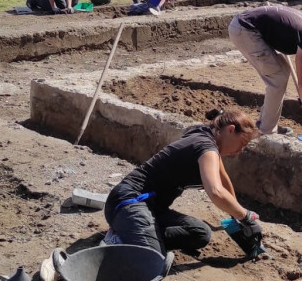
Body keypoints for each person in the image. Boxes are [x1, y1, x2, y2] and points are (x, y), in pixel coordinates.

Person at [104, 108, 261, 256]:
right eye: (242, 143)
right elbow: (216, 191)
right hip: (128, 201)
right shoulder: (206, 147)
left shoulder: (206, 135)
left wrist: (236, 214)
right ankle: (121, 239)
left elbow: (222, 178)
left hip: (153, 208)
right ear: (231, 130)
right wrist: (245, 216)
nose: (240, 150)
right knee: (152, 260)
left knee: (200, 234)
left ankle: (133, 234)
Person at [228, 6, 302, 141]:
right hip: (245, 29)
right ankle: (266, 131)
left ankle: (268, 124)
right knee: (278, 78)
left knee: (282, 72)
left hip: (245, 25)